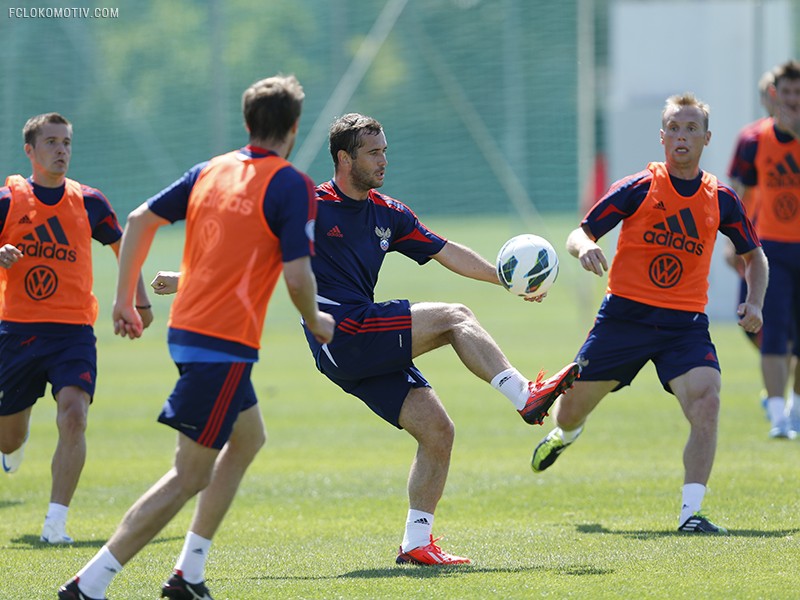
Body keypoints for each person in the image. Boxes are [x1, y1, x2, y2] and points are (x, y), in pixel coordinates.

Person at [58, 75, 334, 600]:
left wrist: (123, 299)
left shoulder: (212, 169)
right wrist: (316, 321)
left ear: (248, 122)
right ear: (294, 128)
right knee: (188, 475)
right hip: (222, 341)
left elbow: (138, 220)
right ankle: (88, 585)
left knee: (248, 437)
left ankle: (189, 574)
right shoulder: (292, 184)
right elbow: (298, 277)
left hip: (191, 329)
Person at [302, 112, 579, 565]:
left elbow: (447, 251)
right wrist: (188, 276)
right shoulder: (310, 206)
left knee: (437, 430)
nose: (383, 160)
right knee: (455, 317)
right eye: (373, 152)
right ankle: (525, 395)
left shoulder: (389, 213)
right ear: (343, 158)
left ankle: (415, 543)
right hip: (340, 331)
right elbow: (250, 249)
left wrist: (507, 280)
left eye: (385, 150)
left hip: (356, 342)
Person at [530, 93, 768, 534]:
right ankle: (566, 435)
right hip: (624, 319)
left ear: (706, 138)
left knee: (707, 400)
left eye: (691, 128)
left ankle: (690, 514)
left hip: (684, 326)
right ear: (662, 137)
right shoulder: (639, 186)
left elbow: (755, 256)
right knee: (569, 411)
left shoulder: (722, 198)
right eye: (675, 128)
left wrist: (754, 301)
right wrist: (587, 248)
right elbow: (579, 232)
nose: (682, 136)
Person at [0, 113, 153, 545]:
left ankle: (55, 523)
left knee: (74, 415)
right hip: (17, 333)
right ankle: (14, 445)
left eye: (66, 142)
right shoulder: (8, 201)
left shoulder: (88, 201)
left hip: (73, 333)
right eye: (50, 142)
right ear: (30, 151)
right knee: (8, 439)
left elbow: (125, 246)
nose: (61, 150)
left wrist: (135, 301)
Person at [727, 59, 800, 439]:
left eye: (798, 93)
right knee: (770, 334)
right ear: (775, 95)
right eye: (786, 92)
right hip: (771, 247)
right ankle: (777, 416)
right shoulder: (756, 139)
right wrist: (733, 242)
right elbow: (738, 196)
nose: (792, 100)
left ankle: (796, 411)